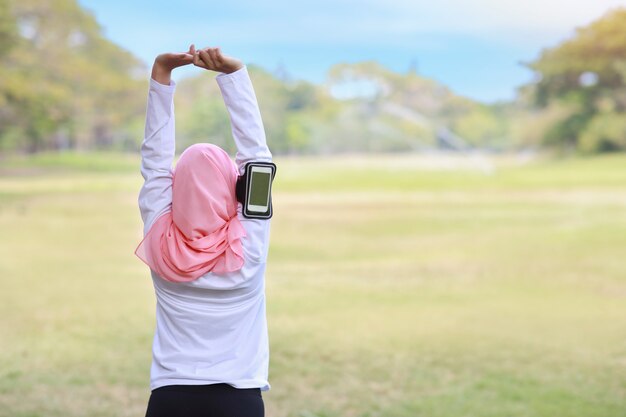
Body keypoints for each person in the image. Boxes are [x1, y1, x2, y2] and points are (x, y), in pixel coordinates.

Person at [134, 44, 273, 417]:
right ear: (232, 187)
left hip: (170, 398)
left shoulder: (161, 240)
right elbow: (258, 160)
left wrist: (162, 75)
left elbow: (155, 164)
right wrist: (234, 74)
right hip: (239, 398)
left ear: (177, 189)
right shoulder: (249, 244)